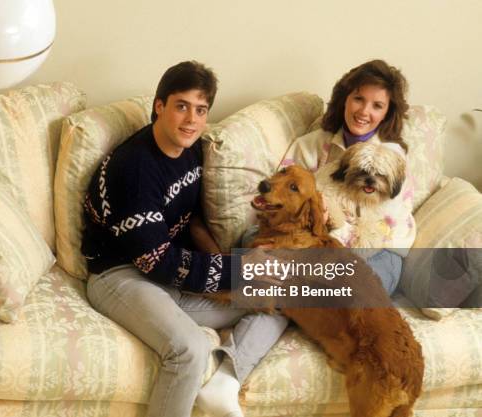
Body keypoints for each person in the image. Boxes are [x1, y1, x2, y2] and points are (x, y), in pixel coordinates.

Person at [82, 61, 287, 417]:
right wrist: (236, 271)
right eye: (181, 106)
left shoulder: (190, 149)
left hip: (171, 278)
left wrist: (235, 266)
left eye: (200, 110)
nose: (191, 119)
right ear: (159, 106)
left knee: (284, 295)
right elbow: (156, 262)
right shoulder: (134, 169)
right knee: (189, 349)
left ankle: (225, 382)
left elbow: (190, 219)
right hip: (119, 275)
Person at [280, 59, 415, 295]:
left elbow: (380, 227)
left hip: (380, 249)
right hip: (317, 239)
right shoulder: (312, 145)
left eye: (377, 105)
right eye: (358, 99)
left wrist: (333, 233)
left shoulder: (392, 159)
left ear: (387, 113)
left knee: (356, 293)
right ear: (345, 98)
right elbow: (282, 196)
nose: (364, 112)